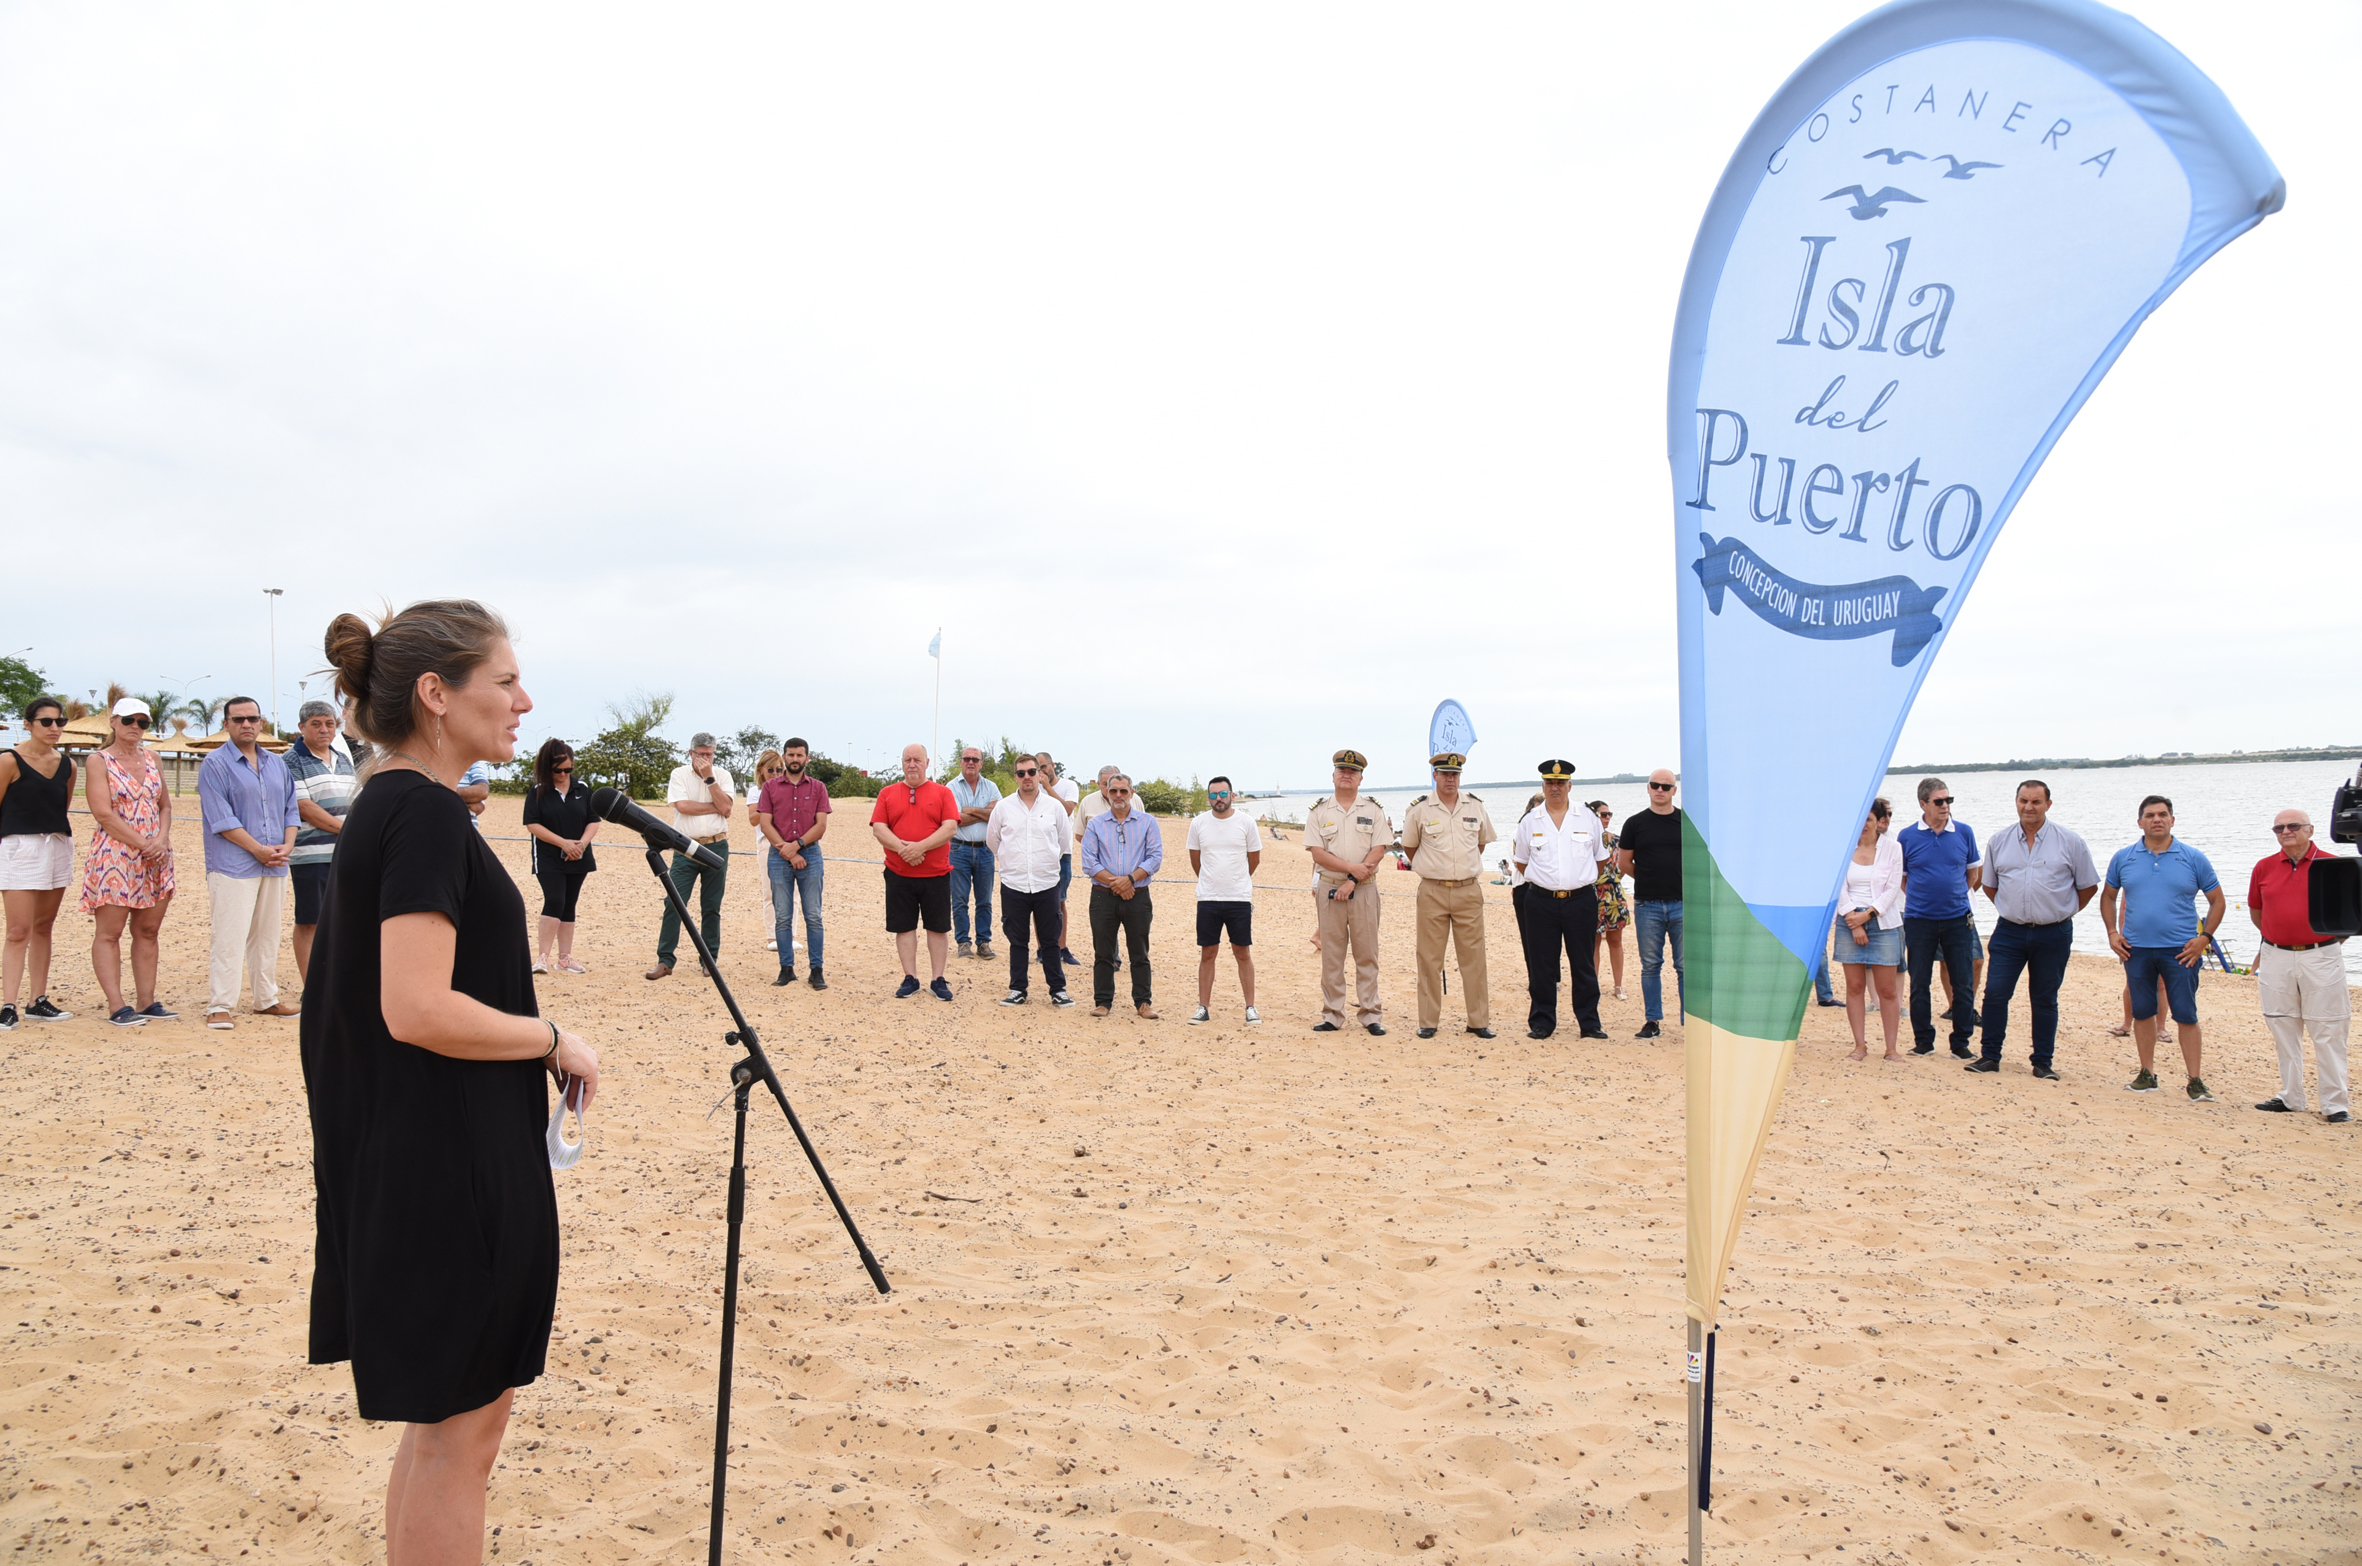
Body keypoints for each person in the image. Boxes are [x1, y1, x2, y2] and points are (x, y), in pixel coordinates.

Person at [304, 599, 600, 1566]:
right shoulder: (423, 812)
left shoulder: (394, 803)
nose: (524, 701)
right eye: (504, 680)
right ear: (436, 694)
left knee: (440, 1434)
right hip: (445, 1166)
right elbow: (416, 1006)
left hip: (413, 1152)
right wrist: (552, 1036)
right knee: (461, 1439)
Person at [1968, 780, 2097, 1080]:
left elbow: (2088, 886)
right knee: (1996, 993)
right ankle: (1990, 1056)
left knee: (2044, 997)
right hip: (2010, 931)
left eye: (2036, 802)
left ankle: (2042, 1062)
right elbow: (1989, 885)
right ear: (2016, 802)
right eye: (2023, 800)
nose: (2029, 807)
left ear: (2048, 804)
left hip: (2054, 933)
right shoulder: (1999, 841)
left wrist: (2061, 911)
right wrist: (2013, 908)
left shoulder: (2070, 841)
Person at [2100, 795, 2223, 1102]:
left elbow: (2218, 901)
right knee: (2142, 1013)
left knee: (2186, 1015)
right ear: (2140, 821)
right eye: (2151, 815)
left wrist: (2204, 938)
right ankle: (2147, 1073)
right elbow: (2108, 896)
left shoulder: (2193, 858)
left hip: (2180, 951)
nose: (2157, 819)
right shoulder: (2123, 858)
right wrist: (2113, 933)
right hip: (2137, 950)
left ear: (2172, 820)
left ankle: (2195, 1080)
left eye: (2163, 814)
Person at [197, 695, 300, 1029]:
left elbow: (290, 809)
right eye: (238, 719)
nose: (246, 725)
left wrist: (287, 846)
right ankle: (220, 1005)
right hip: (233, 864)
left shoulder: (277, 763)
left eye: (252, 719)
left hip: (275, 863)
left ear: (261, 723)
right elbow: (221, 818)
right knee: (229, 934)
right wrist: (257, 849)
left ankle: (265, 999)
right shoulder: (215, 764)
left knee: (267, 934)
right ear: (226, 724)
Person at [2247, 809, 2349, 1123]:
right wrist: (2277, 938)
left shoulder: (2333, 865)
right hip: (2276, 955)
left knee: (2328, 1028)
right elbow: (2256, 911)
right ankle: (2292, 1097)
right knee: (2282, 1024)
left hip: (2321, 954)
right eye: (2279, 827)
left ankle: (2335, 1105)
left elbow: (2347, 914)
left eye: (2293, 826)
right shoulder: (2264, 867)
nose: (2286, 831)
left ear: (2310, 829)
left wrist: (2320, 943)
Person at [78, 699, 176, 1026]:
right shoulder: (98, 761)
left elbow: (164, 805)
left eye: (143, 722)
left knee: (148, 930)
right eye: (130, 720)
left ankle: (147, 1000)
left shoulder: (154, 758)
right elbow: (103, 813)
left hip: (156, 854)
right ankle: (117, 1004)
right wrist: (142, 844)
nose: (136, 726)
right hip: (116, 853)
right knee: (110, 931)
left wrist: (160, 840)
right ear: (114, 721)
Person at [1400, 753, 1497, 1039]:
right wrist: (1436, 869)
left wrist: (1460, 869)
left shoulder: (1475, 806)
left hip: (1468, 891)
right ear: (1435, 776)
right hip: (1433, 891)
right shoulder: (1419, 810)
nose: (1450, 779)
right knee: (1429, 959)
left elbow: (1480, 844)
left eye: (1455, 774)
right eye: (1445, 774)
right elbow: (1410, 848)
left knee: (1474, 958)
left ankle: (1478, 1021)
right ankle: (1428, 1021)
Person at [1515, 760, 1611, 1041]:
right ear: (1543, 787)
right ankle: (1542, 1022)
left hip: (1580, 901)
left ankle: (1590, 1023)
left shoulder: (1588, 819)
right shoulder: (1530, 821)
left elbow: (1601, 860)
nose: (1555, 788)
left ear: (1570, 785)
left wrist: (1575, 882)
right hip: (1540, 901)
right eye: (1549, 783)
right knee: (1542, 963)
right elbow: (1522, 862)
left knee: (1583, 963)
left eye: (1560, 783)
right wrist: (1548, 881)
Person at [1, 698, 78, 1030]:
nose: (54, 729)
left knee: (44, 927)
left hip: (57, 845)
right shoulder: (9, 760)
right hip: (19, 847)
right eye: (46, 722)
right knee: (18, 931)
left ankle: (38, 999)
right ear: (29, 723)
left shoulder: (69, 765)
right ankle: (8, 1004)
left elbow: (63, 804)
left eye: (59, 723)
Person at [1895, 776, 1981, 1059]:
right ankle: (1923, 1041)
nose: (1945, 806)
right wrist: (1923, 898)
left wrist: (1953, 894)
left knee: (1963, 983)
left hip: (1957, 919)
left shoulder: (1964, 832)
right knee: (1920, 982)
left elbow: (1973, 872)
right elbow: (1902, 877)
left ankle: (1961, 1043)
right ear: (1923, 803)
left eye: (1949, 800)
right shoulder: (1907, 836)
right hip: (1919, 919)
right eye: (1939, 801)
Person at [1306, 749, 1390, 1036]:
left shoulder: (1373, 810)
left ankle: (1370, 1014)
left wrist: (1352, 879)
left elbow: (1379, 849)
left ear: (1361, 777)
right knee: (1332, 955)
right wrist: (1350, 870)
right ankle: (1332, 1014)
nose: (1347, 774)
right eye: (1342, 770)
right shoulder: (1319, 811)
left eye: (1352, 771)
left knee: (1367, 955)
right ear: (1333, 775)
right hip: (1329, 889)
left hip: (1364, 890)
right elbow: (1318, 853)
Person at [870, 743, 960, 1000]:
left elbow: (950, 827)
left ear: (927, 763)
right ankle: (910, 977)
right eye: (907, 759)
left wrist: (919, 847)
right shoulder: (887, 793)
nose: (912, 764)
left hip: (936, 874)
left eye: (917, 759)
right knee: (904, 927)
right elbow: (879, 828)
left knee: (938, 928)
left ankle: (938, 979)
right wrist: (903, 850)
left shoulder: (943, 793)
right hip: (899, 874)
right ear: (902, 763)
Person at [985, 754, 1072, 1007]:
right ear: (1015, 777)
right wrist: (1010, 861)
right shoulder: (1003, 807)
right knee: (1017, 939)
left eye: (1032, 772)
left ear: (1040, 774)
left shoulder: (1054, 807)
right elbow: (993, 841)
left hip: (1046, 883)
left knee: (1050, 939)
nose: (1027, 777)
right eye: (1021, 773)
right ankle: (1017, 989)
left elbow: (1063, 842)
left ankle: (1058, 989)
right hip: (1014, 884)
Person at [647, 731, 734, 981]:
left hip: (716, 846)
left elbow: (727, 808)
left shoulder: (722, 776)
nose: (705, 759)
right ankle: (665, 960)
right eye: (700, 754)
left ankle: (709, 960)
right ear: (691, 753)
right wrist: (716, 806)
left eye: (709, 754)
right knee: (674, 902)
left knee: (711, 906)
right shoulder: (679, 774)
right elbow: (682, 806)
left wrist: (710, 780)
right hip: (685, 847)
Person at [1079, 773, 1163, 1018]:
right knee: (1103, 952)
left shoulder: (1148, 822)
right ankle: (1103, 1002)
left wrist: (1129, 880)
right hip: (1103, 897)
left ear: (1131, 793)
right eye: (1113, 790)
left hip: (1138, 896)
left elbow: (1155, 858)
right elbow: (1089, 862)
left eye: (1123, 791)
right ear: (1107, 793)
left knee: (1140, 952)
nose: (1118, 795)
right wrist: (1118, 884)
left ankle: (1143, 1003)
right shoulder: (1095, 824)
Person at [286, 699, 359, 981]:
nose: (323, 729)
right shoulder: (292, 761)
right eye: (315, 724)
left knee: (340, 921)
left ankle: (335, 983)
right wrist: (348, 831)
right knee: (310, 921)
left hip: (342, 854)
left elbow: (356, 800)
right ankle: (312, 985)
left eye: (329, 724)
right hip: (311, 856)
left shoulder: (343, 759)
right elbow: (305, 808)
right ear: (302, 727)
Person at [1831, 799, 1906, 1060]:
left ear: (1879, 822)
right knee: (1854, 986)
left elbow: (1892, 888)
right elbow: (1838, 886)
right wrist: (1853, 917)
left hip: (1882, 922)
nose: (1864, 825)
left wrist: (1867, 915)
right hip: (1848, 921)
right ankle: (1859, 1045)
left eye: (1870, 819)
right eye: (1860, 818)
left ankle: (1891, 1048)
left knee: (1887, 990)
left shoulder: (1893, 848)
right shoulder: (1843, 847)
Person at [1185, 774, 1263, 1025]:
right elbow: (1196, 860)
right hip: (1208, 898)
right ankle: (1203, 1007)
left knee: (1242, 952)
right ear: (1208, 798)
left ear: (1232, 795)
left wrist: (1238, 880)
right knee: (1208, 953)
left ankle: (1250, 1007)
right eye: (1213, 795)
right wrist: (1210, 881)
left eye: (1222, 794)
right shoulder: (1198, 823)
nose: (1218, 799)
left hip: (1238, 898)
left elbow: (1254, 859)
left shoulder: (1247, 822)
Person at [755, 737, 832, 990]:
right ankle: (786, 969)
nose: (795, 759)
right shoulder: (770, 788)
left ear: (807, 758)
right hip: (778, 857)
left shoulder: (819, 788)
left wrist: (797, 846)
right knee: (782, 915)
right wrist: (787, 851)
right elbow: (765, 824)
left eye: (800, 755)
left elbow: (820, 826)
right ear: (784, 757)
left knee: (813, 915)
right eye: (790, 755)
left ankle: (816, 970)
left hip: (810, 855)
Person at [1616, 768, 1686, 1038]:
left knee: (1685, 966)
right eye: (1655, 785)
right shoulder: (1635, 824)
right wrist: (1649, 879)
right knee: (1650, 965)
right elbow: (1624, 863)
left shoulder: (1686, 822)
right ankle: (1653, 1021)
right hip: (1648, 905)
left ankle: (1688, 1019)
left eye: (1666, 786)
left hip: (1683, 904)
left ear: (1674, 791)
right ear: (1647, 788)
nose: (1660, 790)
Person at [520, 739, 598, 975]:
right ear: (547, 767)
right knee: (554, 899)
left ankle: (564, 958)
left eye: (568, 769)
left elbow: (593, 821)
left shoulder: (583, 789)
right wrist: (563, 843)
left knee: (569, 904)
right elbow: (532, 824)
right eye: (558, 770)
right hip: (548, 857)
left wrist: (580, 845)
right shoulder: (537, 792)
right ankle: (542, 957)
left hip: (579, 856)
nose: (563, 774)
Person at [947, 746, 1002, 961]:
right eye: (967, 759)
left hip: (985, 850)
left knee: (984, 900)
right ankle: (963, 942)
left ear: (981, 763)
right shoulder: (951, 787)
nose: (971, 762)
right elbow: (955, 819)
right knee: (959, 900)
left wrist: (970, 809)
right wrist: (984, 811)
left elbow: (997, 815)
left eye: (975, 759)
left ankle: (983, 942)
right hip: (958, 849)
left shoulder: (991, 787)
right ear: (961, 761)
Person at [1037, 751, 1082, 968]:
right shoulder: (1033, 788)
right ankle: (1041, 948)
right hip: (1040, 852)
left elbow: (1067, 809)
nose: (1042, 772)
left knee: (1060, 901)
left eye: (1044, 767)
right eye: (1038, 769)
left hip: (1062, 853)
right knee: (1038, 902)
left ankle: (1062, 947)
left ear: (1052, 765)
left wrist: (1047, 788)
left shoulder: (1069, 785)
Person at [1590, 801, 1629, 1003]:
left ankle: (1618, 985)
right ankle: (1593, 985)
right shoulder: (1587, 839)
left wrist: (1612, 881)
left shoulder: (1617, 840)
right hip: (1592, 893)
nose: (1607, 818)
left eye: (1609, 814)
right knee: (1593, 943)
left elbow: (1625, 864)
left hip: (1613, 893)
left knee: (1615, 941)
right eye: (1603, 814)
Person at [748, 751, 783, 951]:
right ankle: (772, 937)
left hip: (789, 842)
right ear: (762, 770)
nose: (775, 773)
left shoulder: (789, 788)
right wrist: (769, 799)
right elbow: (753, 819)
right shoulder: (756, 792)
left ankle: (791, 934)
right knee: (769, 891)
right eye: (770, 770)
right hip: (766, 843)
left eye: (779, 769)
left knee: (792, 892)